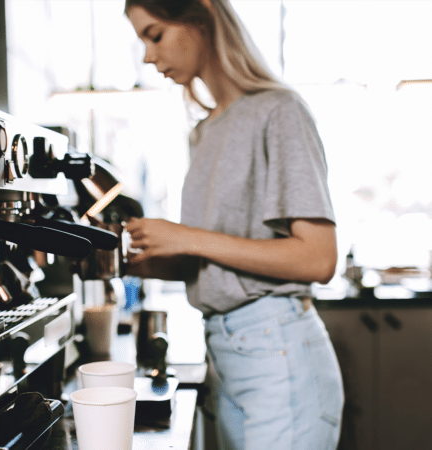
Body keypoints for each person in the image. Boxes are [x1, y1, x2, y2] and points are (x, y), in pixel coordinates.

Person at [123, 1, 344, 449]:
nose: (148, 56)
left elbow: (318, 258)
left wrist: (184, 236)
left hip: (277, 352)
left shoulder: (278, 111)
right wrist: (131, 260)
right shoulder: (205, 131)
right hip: (225, 356)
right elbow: (215, 262)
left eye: (155, 34)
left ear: (201, 18)